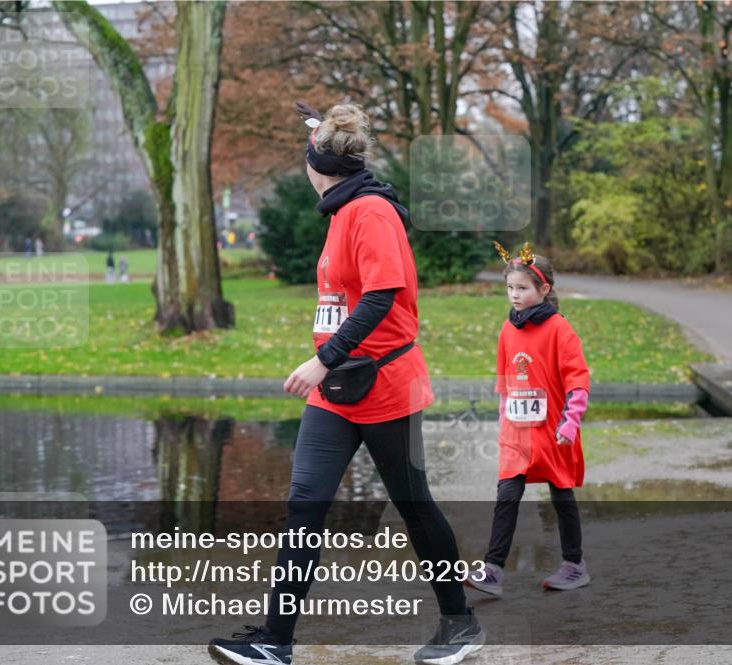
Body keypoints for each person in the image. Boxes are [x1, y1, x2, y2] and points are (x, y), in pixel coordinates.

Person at [208, 102, 483, 665]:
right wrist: (329, 365)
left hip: (384, 385)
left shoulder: (370, 213)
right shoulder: (341, 210)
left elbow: (382, 298)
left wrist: (323, 359)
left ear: (317, 166)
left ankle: (460, 624)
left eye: (305, 160)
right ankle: (275, 643)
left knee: (413, 505)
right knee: (305, 504)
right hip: (337, 391)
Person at [465, 242, 591, 597]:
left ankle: (574, 565)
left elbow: (578, 381)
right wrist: (504, 416)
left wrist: (570, 422)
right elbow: (504, 381)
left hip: (554, 431)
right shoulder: (508, 330)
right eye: (510, 288)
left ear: (544, 289)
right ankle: (493, 570)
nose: (514, 295)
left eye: (522, 288)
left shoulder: (559, 330)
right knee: (507, 494)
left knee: (561, 496)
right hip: (516, 433)